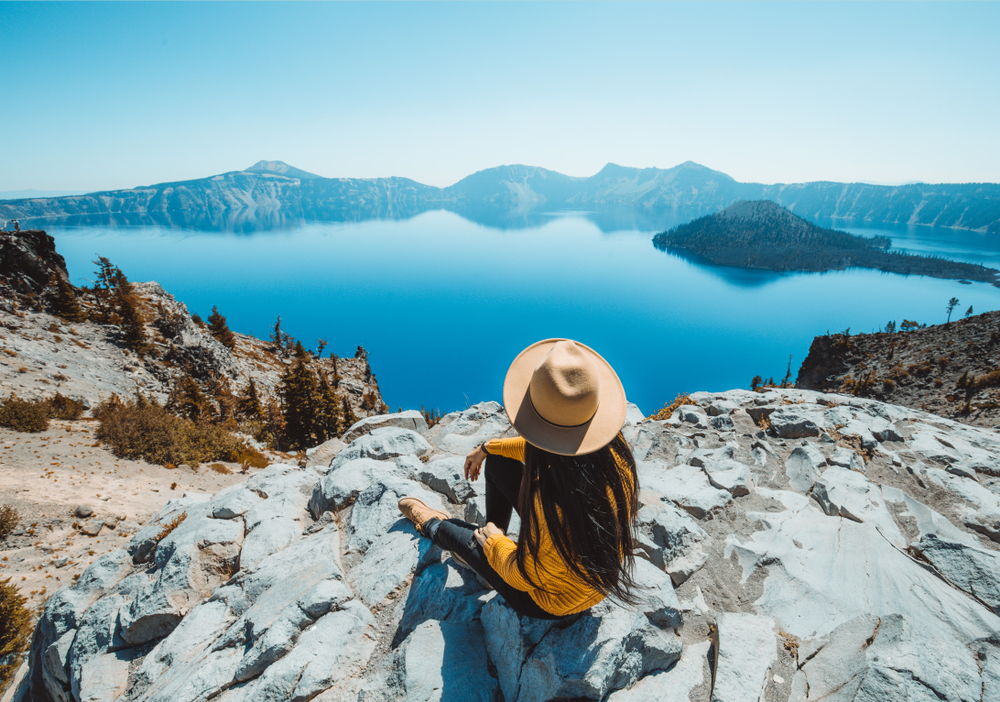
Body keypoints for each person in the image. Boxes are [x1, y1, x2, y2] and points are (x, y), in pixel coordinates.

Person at [398, 338, 639, 620]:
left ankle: (437, 527)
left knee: (452, 532)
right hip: (579, 564)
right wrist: (489, 448)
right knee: (501, 462)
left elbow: (525, 576)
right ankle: (487, 544)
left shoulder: (550, 504)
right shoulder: (613, 454)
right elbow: (551, 451)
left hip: (550, 601)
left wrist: (496, 543)